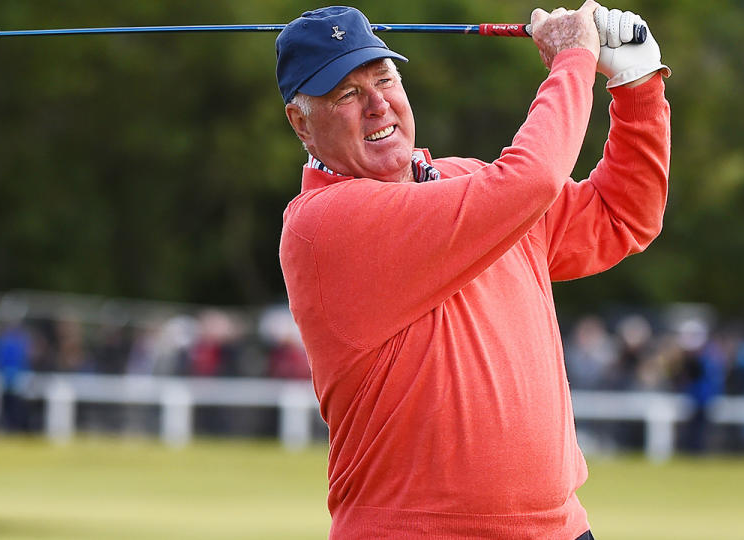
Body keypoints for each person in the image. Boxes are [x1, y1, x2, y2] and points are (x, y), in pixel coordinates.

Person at [276, 3, 670, 538]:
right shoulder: (323, 224)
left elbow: (623, 215)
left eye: (385, 79)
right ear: (301, 122)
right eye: (346, 94)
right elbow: (530, 181)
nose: (377, 106)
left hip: (559, 528)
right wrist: (573, 58)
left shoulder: (470, 182)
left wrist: (638, 84)